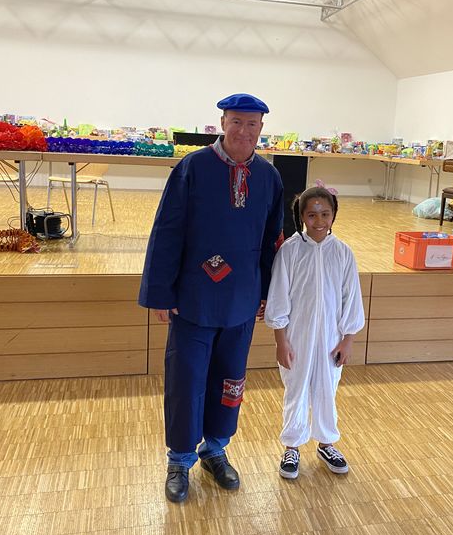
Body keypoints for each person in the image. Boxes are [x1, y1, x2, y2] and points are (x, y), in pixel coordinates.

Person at [139, 93, 284, 503]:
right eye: (236, 122)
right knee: (186, 381)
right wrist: (162, 292)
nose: (243, 131)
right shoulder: (193, 167)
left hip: (242, 299)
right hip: (194, 297)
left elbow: (273, 240)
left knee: (230, 379)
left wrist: (268, 292)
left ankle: (216, 449)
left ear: (261, 129)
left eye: (251, 124)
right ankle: (180, 458)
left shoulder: (269, 177)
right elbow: (167, 231)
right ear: (222, 123)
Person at [264, 183, 365, 479]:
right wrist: (281, 342)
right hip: (297, 337)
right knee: (296, 390)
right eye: (311, 215)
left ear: (334, 215)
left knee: (326, 389)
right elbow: (279, 298)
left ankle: (326, 443)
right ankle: (292, 446)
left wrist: (347, 340)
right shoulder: (290, 251)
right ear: (301, 217)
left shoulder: (343, 253)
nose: (319, 221)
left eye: (325, 214)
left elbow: (351, 299)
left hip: (331, 340)